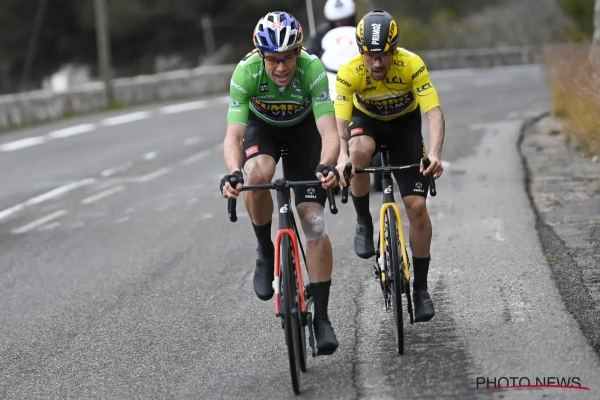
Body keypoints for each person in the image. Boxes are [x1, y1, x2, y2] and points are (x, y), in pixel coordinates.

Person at [220, 11, 341, 354]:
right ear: (260, 55)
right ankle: (265, 250)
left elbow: (329, 133)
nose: (281, 67)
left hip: (305, 134)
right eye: (273, 59)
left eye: (288, 57)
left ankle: (322, 318)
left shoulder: (312, 69)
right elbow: (233, 137)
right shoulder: (246, 72)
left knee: (313, 221)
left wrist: (327, 165)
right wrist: (234, 172)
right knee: (257, 175)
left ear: (299, 50)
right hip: (264, 130)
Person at [334, 10, 446, 323]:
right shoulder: (349, 72)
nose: (377, 63)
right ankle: (363, 220)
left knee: (417, 208)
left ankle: (420, 288)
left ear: (394, 50)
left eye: (383, 54)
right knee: (357, 151)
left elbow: (434, 113)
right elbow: (340, 122)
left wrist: (435, 153)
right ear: (360, 52)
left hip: (404, 128)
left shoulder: (411, 64)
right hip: (366, 123)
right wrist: (341, 157)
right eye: (370, 55)